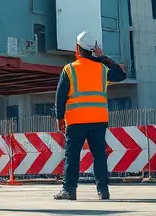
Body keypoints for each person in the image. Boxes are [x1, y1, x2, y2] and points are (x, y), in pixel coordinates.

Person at [53, 31, 127, 202]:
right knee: (99, 155)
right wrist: (103, 57)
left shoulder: (69, 70)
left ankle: (69, 190)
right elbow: (121, 75)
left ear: (76, 48)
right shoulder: (102, 69)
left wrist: (59, 118)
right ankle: (103, 190)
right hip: (98, 119)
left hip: (76, 120)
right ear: (93, 50)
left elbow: (60, 96)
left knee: (72, 156)